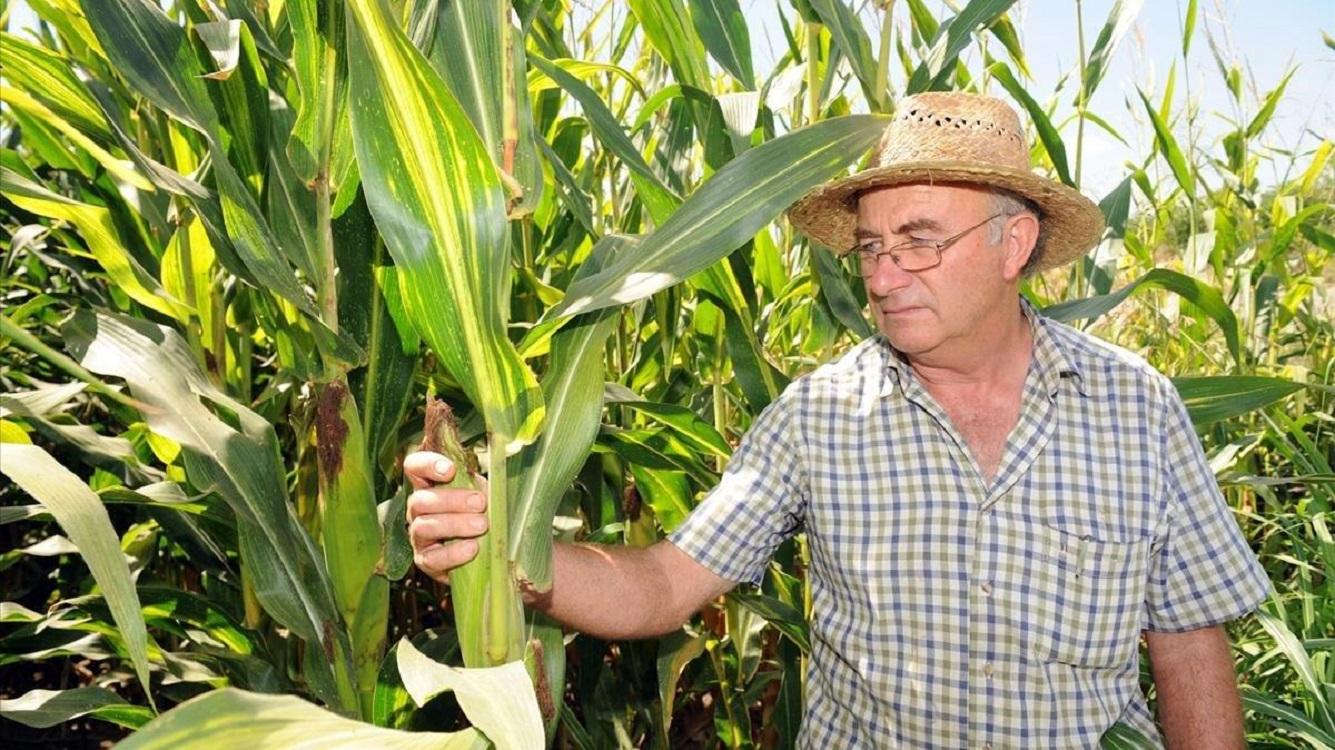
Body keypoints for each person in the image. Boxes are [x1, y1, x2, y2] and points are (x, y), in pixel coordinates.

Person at [404, 92, 1270, 748]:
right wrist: (506, 550)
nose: (884, 277)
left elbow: (1188, 645)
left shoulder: (1136, 409)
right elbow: (665, 585)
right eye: (870, 248)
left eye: (920, 242)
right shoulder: (819, 416)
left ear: (1012, 245)